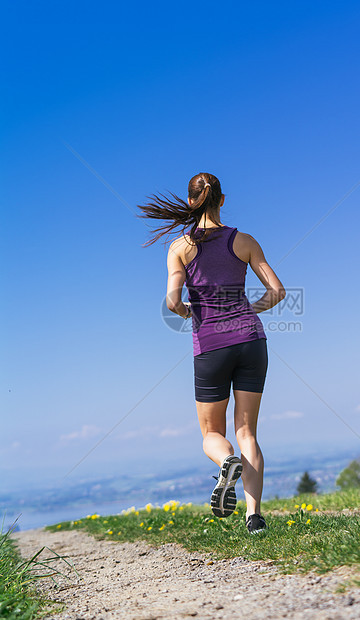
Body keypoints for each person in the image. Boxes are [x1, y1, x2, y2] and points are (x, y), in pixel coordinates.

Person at [137, 172, 286, 534]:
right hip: (252, 341)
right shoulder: (244, 240)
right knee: (248, 430)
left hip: (211, 345)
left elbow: (172, 300)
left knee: (211, 433)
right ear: (222, 200)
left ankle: (226, 461)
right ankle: (255, 518)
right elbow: (278, 291)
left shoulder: (180, 247)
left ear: (191, 201)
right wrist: (250, 310)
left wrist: (188, 311)